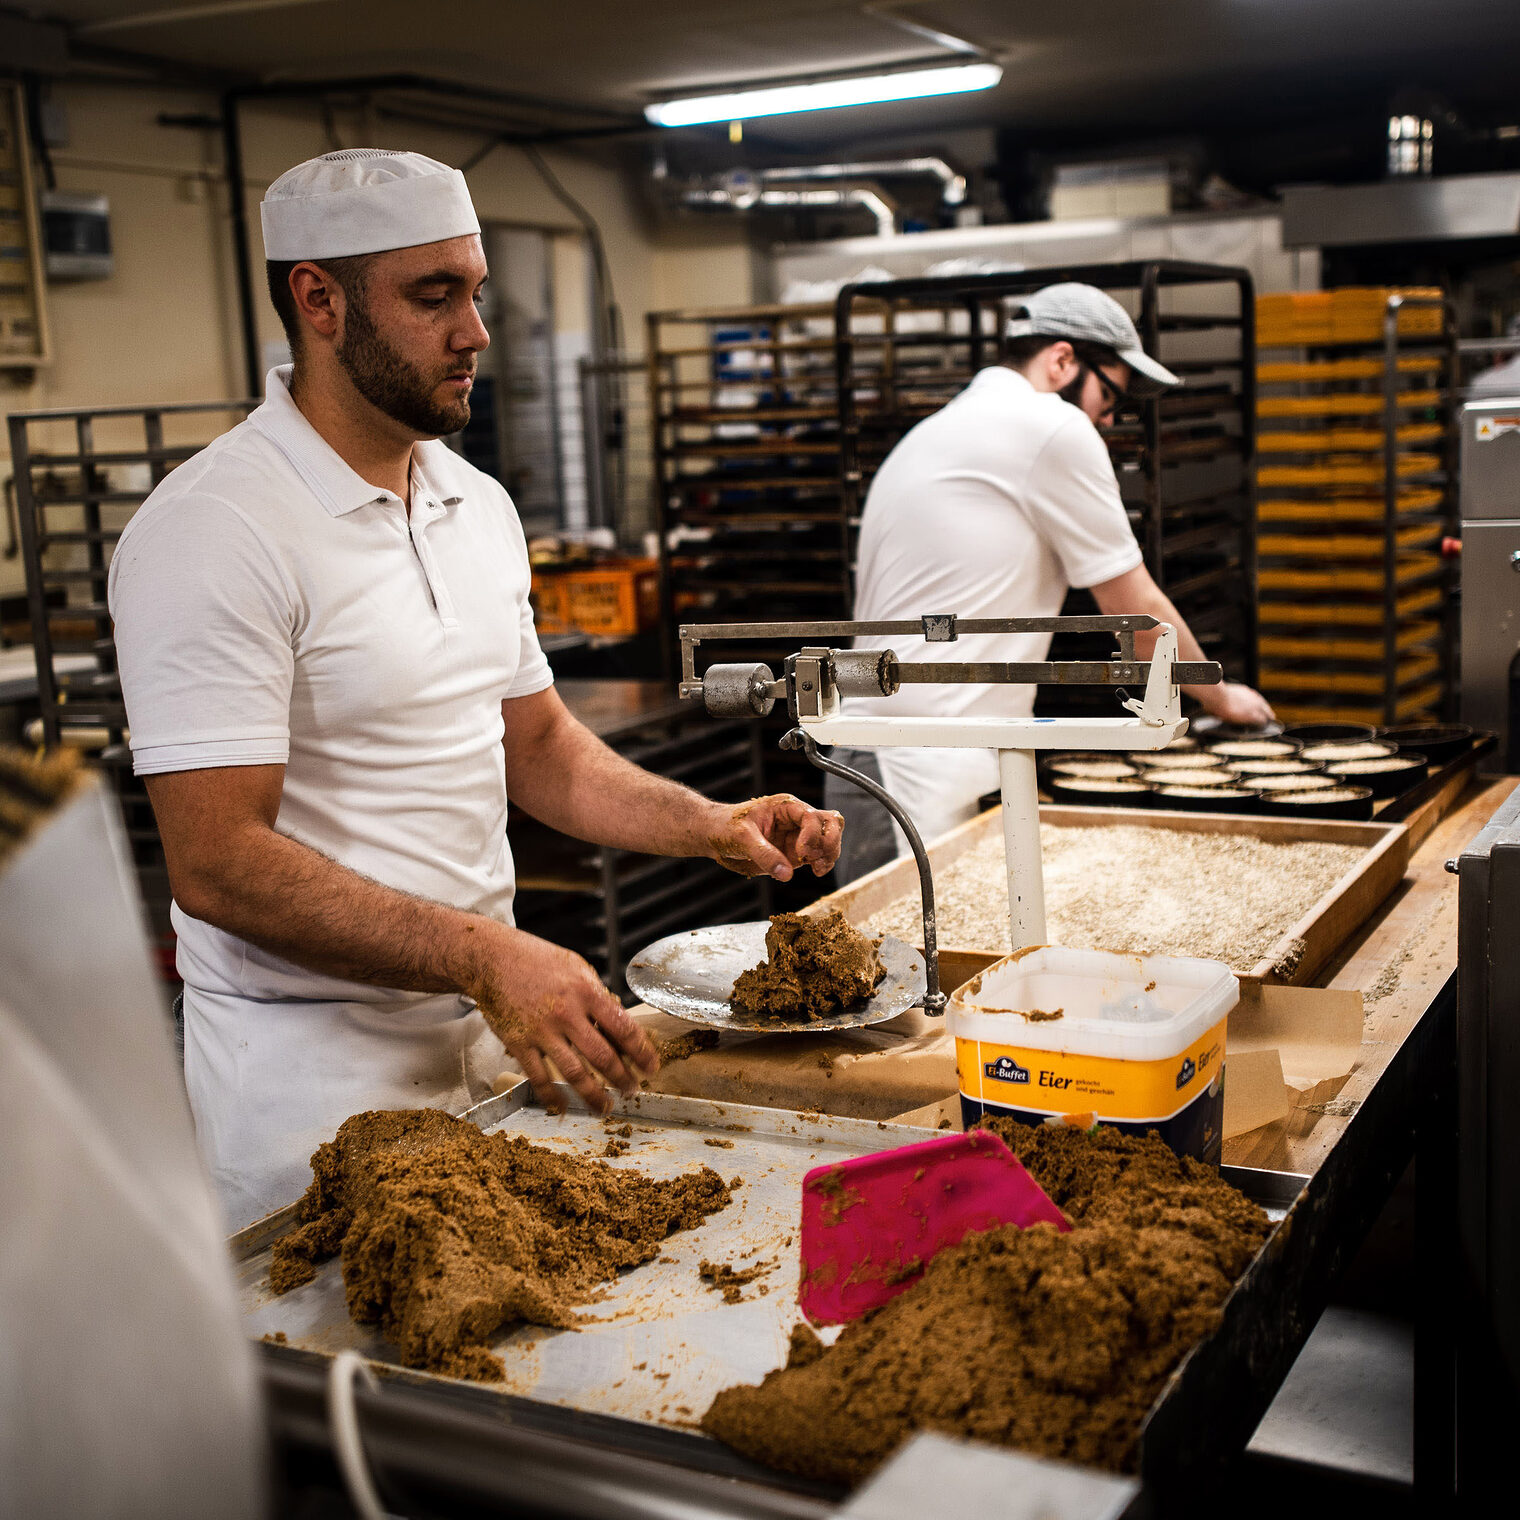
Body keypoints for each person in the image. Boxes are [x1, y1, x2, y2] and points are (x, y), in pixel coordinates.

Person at [108, 150, 842, 1228]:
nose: (475, 332)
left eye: (476, 291)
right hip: (312, 1088)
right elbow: (218, 862)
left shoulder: (475, 503)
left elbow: (537, 746)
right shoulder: (214, 530)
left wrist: (710, 825)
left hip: (494, 1047)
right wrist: (483, 950)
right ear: (318, 300)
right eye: (431, 295)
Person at [826, 282, 1274, 883]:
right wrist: (1221, 696)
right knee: (908, 968)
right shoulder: (1049, 426)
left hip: (881, 752)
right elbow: (1134, 612)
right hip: (919, 769)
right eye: (1112, 392)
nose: (1110, 418)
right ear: (1062, 361)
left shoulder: (940, 429)